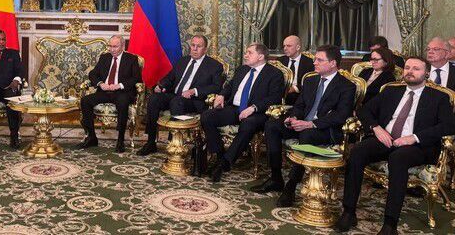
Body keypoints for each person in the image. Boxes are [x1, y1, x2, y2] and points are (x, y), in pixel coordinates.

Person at [336, 57, 455, 235]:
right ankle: (348, 212)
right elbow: (364, 110)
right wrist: (376, 128)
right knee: (358, 151)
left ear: (426, 73)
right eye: (407, 67)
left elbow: (448, 126)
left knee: (398, 158)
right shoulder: (391, 91)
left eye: (416, 69)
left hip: (417, 146)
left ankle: (390, 224)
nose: (410, 71)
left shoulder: (438, 97)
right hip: (386, 138)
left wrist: (414, 137)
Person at [252, 44, 355, 207]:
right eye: (315, 59)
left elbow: (340, 116)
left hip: (323, 130)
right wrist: (293, 117)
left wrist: (310, 124)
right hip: (301, 124)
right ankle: (276, 177)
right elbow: (300, 105)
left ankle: (290, 187)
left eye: (319, 60)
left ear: (333, 63)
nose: (314, 62)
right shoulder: (310, 80)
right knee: (272, 126)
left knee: (307, 135)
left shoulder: (347, 86)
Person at [201, 42, 284, 182]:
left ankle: (224, 163)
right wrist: (221, 95)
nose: (245, 55)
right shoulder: (242, 69)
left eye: (249, 53)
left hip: (256, 113)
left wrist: (253, 108)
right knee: (207, 116)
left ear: (261, 56)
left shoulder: (274, 74)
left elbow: (275, 97)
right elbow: (230, 86)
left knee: (248, 125)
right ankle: (219, 154)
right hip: (235, 108)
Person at [137, 35, 225, 156]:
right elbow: (170, 78)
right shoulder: (183, 61)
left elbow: (216, 87)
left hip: (194, 101)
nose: (194, 49)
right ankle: (151, 142)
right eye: (193, 45)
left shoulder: (214, 66)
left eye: (198, 46)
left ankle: (174, 143)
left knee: (177, 102)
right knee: (154, 99)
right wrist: (162, 86)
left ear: (205, 49)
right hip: (175, 95)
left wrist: (194, 91)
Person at [76, 35, 142, 153]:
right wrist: (101, 84)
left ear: (123, 46)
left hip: (122, 92)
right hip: (105, 91)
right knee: (85, 101)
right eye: (110, 46)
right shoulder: (104, 57)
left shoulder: (131, 59)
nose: (112, 49)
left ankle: (120, 140)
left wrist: (119, 85)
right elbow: (93, 74)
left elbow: (136, 78)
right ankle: (92, 137)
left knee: (122, 102)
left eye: (115, 46)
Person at [277, 35, 313, 105]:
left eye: (289, 46)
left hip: (300, 94)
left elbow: (311, 82)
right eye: (284, 46)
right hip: (281, 93)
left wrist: (294, 88)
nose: (285, 48)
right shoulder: (279, 61)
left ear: (298, 47)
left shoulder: (309, 62)